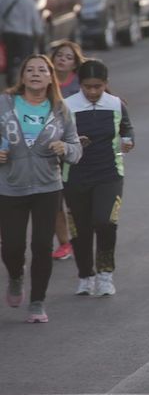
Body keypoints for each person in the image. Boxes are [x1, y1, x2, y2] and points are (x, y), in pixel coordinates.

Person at [0, 55, 82, 323]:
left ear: (50, 77)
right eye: (30, 69)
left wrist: (65, 148)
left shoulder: (60, 109)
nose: (35, 73)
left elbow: (76, 148)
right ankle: (15, 275)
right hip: (11, 186)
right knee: (12, 246)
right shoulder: (5, 103)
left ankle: (37, 302)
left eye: (42, 70)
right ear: (22, 76)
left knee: (41, 245)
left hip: (48, 186)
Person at [63, 59, 134, 298]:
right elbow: (55, 136)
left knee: (105, 222)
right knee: (80, 229)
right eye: (87, 87)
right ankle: (85, 276)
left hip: (109, 173)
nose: (93, 92)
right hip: (75, 174)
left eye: (98, 86)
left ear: (106, 84)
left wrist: (128, 140)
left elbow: (126, 128)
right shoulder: (67, 106)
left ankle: (105, 274)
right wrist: (70, 144)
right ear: (79, 84)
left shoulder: (115, 104)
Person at [49, 39, 86, 261]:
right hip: (49, 149)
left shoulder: (81, 83)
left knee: (75, 199)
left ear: (75, 64)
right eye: (59, 55)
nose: (62, 59)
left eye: (68, 56)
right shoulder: (44, 82)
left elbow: (100, 100)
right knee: (54, 199)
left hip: (76, 148)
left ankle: (80, 237)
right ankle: (64, 243)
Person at [1, 0, 44, 87]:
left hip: (8, 35)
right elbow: (35, 20)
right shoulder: (29, 2)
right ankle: (24, 82)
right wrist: (39, 33)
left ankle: (10, 83)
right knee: (25, 61)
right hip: (25, 36)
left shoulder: (4, 1)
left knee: (10, 59)